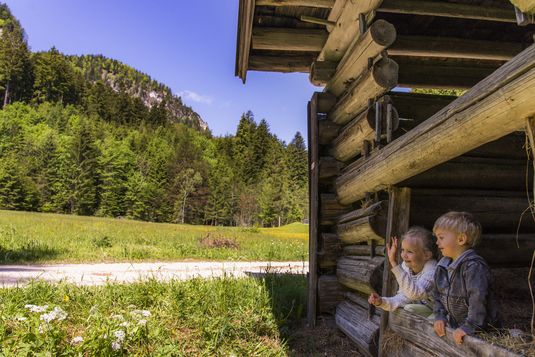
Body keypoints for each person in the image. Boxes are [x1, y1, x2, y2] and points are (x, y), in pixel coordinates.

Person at [432, 211, 501, 345]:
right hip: (457, 325)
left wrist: (470, 326)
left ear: (461, 239)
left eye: (441, 237)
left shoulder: (473, 267)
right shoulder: (442, 266)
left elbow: (478, 298)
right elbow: (437, 294)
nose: (436, 242)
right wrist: (440, 316)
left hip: (483, 331)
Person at [368, 226, 437, 317]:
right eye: (402, 250)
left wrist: (394, 263)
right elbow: (403, 297)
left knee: (410, 309)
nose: (404, 255)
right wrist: (382, 302)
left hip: (439, 312)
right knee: (408, 308)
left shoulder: (432, 269)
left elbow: (416, 294)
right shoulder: (406, 267)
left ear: (427, 255)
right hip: (425, 308)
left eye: (410, 252)